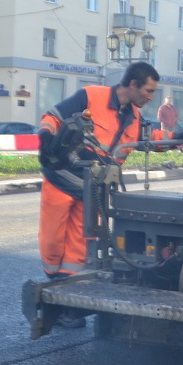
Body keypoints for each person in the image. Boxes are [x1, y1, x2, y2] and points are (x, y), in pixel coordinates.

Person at [36, 62, 161, 327]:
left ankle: (68, 298)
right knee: (53, 237)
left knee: (82, 241)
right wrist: (46, 135)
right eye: (149, 91)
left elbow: (151, 138)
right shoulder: (91, 96)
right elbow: (53, 116)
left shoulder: (134, 117)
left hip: (92, 186)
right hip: (61, 177)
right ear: (134, 85)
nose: (151, 97)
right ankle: (54, 286)